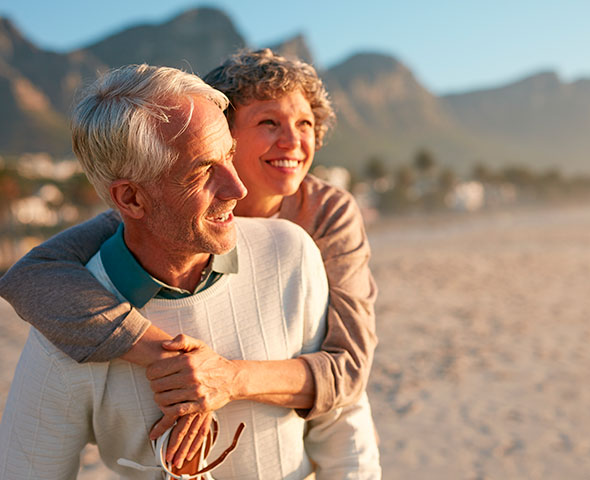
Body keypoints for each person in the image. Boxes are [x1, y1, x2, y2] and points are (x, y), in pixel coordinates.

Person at [0, 64, 380, 479]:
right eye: (202, 170)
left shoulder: (296, 250)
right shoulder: (65, 325)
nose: (239, 189)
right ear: (130, 199)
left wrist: (225, 377)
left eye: (229, 157)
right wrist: (174, 361)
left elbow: (345, 404)